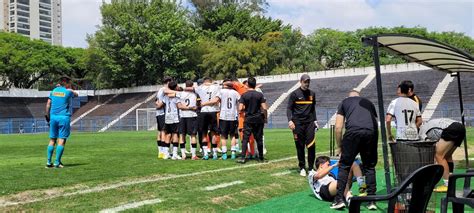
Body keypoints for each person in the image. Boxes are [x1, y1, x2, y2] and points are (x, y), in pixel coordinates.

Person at [332, 90, 378, 210]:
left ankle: (339, 199)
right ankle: (371, 200)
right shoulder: (368, 103)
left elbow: (338, 127)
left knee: (344, 166)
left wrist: (339, 145)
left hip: (353, 133)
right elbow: (375, 122)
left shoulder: (345, 102)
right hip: (371, 133)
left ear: (349, 97)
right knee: (369, 167)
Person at [418, 118, 466, 192]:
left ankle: (447, 184)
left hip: (451, 128)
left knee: (439, 156)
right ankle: (451, 181)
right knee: (447, 156)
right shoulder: (427, 125)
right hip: (460, 127)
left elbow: (429, 148)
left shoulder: (421, 132)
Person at [287, 74, 318, 176]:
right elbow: (289, 109)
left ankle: (310, 168)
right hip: (298, 124)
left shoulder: (312, 94)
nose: (307, 84)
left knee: (311, 145)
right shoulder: (294, 94)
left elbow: (313, 109)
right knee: (300, 146)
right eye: (305, 82)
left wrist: (315, 120)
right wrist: (290, 120)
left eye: (308, 82)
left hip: (309, 123)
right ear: (301, 82)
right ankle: (302, 167)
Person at [45, 76, 78, 168]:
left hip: (53, 117)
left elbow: (48, 104)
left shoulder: (53, 91)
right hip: (63, 117)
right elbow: (76, 94)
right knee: (62, 139)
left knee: (52, 139)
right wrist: (71, 88)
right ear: (67, 83)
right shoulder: (68, 91)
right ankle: (57, 162)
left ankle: (48, 162)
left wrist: (48, 116)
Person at [236, 77, 268, 164]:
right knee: (259, 139)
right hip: (258, 119)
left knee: (245, 138)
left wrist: (246, 108)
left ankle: (243, 157)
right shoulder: (259, 95)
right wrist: (265, 118)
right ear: (255, 84)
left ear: (248, 84)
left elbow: (240, 108)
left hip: (248, 119)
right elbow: (264, 108)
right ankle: (261, 158)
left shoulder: (244, 95)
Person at [195, 77, 221, 160]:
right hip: (213, 111)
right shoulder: (216, 87)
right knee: (213, 132)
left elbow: (191, 88)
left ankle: (205, 153)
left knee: (203, 133)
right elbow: (216, 100)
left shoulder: (200, 88)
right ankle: (214, 154)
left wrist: (204, 103)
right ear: (211, 81)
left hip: (203, 111)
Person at [157, 81, 181, 160]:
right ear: (175, 87)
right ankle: (174, 154)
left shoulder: (165, 97)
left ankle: (166, 154)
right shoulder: (176, 96)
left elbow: (160, 105)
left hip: (167, 117)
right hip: (174, 117)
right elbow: (179, 106)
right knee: (175, 135)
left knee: (168, 134)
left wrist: (157, 103)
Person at [217, 79, 240, 160]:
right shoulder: (236, 92)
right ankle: (233, 153)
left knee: (223, 136)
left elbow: (217, 100)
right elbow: (239, 102)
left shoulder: (221, 91)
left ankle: (224, 154)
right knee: (233, 135)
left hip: (224, 116)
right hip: (233, 116)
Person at [176, 80, 199, 160]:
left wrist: (186, 108)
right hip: (192, 116)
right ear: (192, 85)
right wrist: (191, 108)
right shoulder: (195, 93)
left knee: (182, 135)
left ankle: (183, 155)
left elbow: (179, 106)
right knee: (193, 135)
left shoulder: (180, 94)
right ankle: (193, 155)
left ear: (185, 85)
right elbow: (198, 104)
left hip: (182, 116)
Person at [155, 77, 172, 159]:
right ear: (168, 82)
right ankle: (164, 152)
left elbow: (156, 100)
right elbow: (160, 103)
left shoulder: (160, 89)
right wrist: (160, 105)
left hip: (158, 114)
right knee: (164, 132)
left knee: (160, 132)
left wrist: (158, 105)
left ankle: (160, 152)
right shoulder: (165, 89)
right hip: (163, 113)